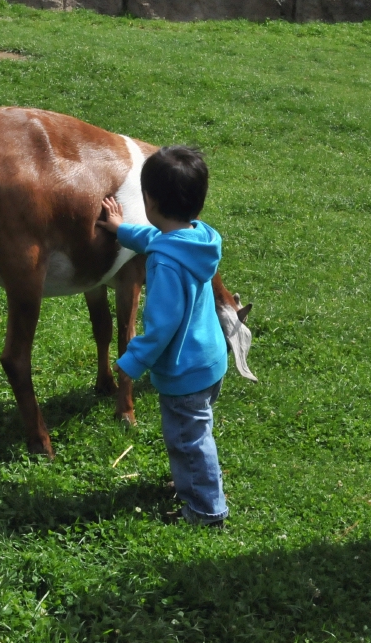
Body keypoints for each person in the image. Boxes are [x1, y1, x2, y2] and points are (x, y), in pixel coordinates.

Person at [99, 146, 230, 527]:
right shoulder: (200, 238)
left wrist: (130, 363)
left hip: (184, 371)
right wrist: (121, 230)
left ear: (150, 201)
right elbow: (156, 239)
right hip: (209, 359)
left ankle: (207, 510)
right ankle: (193, 483)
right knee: (194, 432)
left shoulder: (166, 265)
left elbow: (161, 328)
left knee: (189, 439)